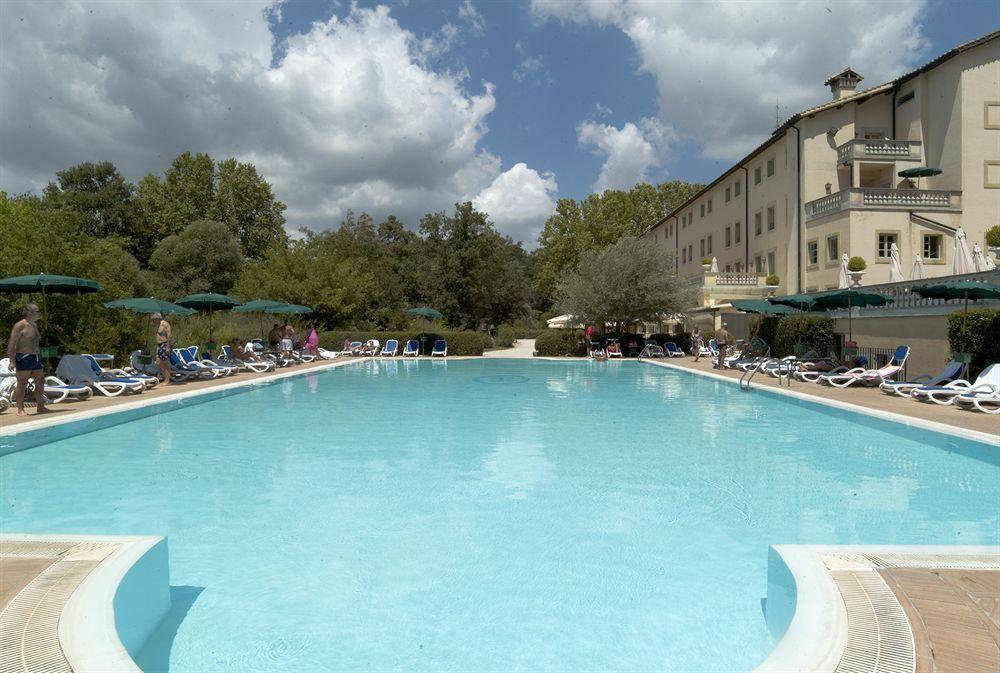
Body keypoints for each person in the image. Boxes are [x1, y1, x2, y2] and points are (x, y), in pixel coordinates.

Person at [7, 303, 47, 416]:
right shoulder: (20, 325)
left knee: (40, 381)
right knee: (22, 383)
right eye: (37, 311)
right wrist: (11, 361)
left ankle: (40, 406)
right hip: (23, 357)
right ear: (30, 313)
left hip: (35, 357)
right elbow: (11, 343)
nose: (39, 313)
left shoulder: (34, 324)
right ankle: (20, 409)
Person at [153, 312, 172, 386]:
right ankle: (165, 378)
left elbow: (169, 335)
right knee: (158, 362)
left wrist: (168, 347)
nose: (153, 321)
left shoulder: (165, 324)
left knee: (165, 363)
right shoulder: (158, 325)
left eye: (154, 320)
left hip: (165, 345)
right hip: (159, 345)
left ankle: (167, 380)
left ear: (158, 318)